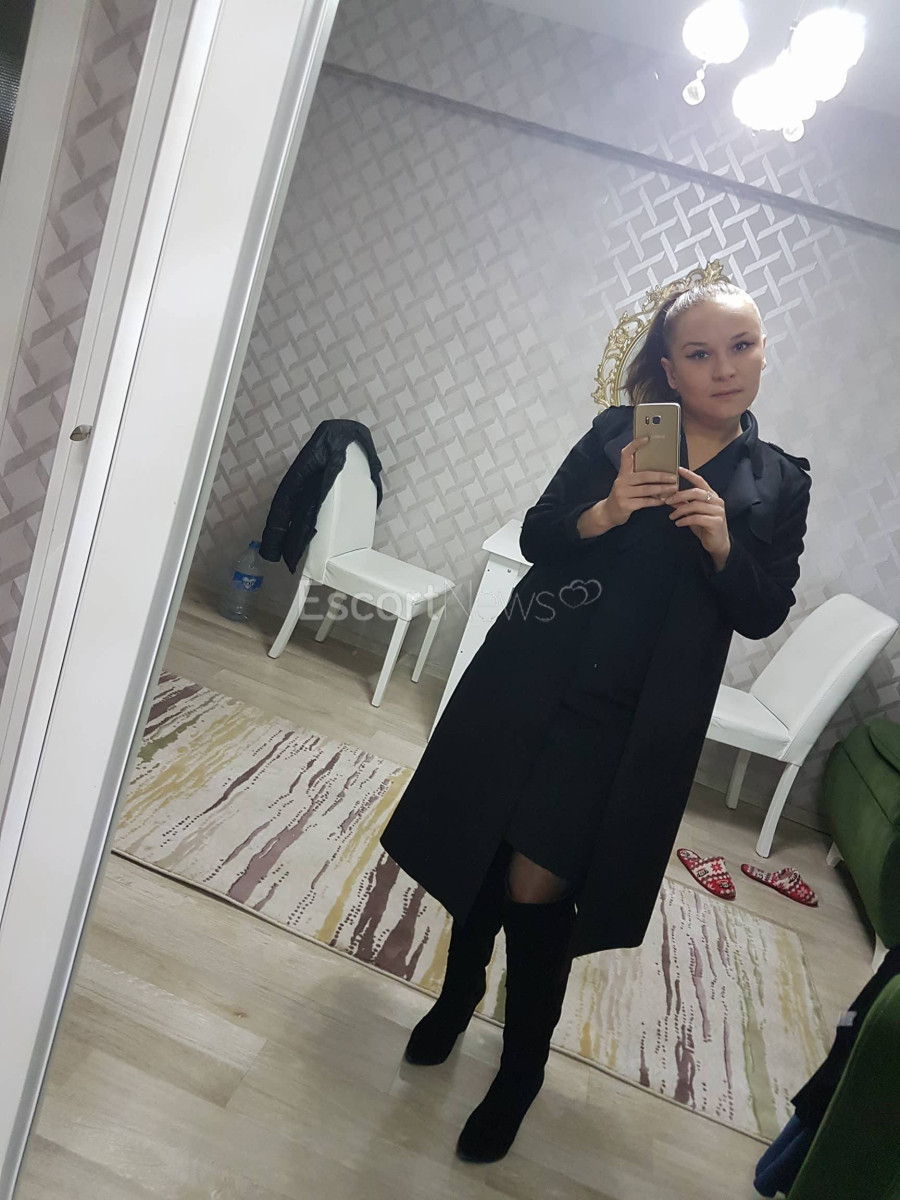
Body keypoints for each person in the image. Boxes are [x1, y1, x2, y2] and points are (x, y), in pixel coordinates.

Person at [380, 279, 813, 1164]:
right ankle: (458, 997)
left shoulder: (779, 481)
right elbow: (539, 536)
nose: (724, 367)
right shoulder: (618, 435)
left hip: (630, 722)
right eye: (699, 352)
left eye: (741, 346)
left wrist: (724, 542)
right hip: (530, 678)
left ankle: (521, 1071)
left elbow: (764, 609)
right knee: (485, 849)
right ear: (668, 369)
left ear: (764, 351)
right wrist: (609, 509)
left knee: (539, 884)